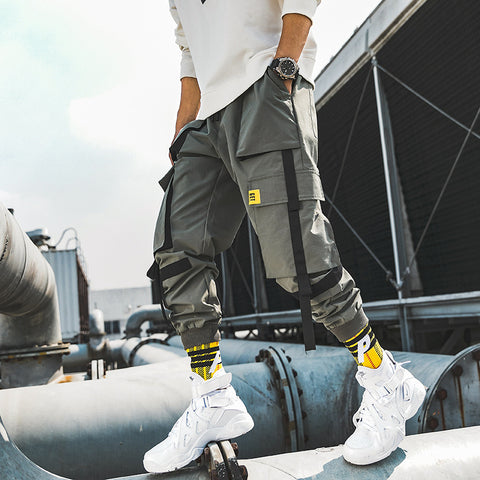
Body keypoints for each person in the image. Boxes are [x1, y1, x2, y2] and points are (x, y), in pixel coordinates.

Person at [143, 0, 426, 473]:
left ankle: (386, 380)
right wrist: (183, 125)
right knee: (177, 251)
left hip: (264, 87)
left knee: (299, 255)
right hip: (205, 121)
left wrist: (285, 67)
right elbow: (189, 48)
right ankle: (212, 395)